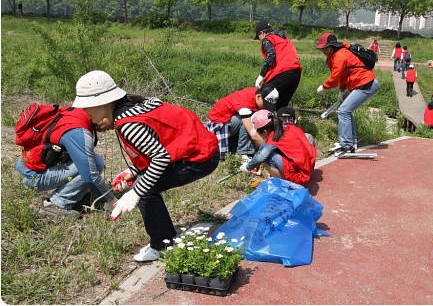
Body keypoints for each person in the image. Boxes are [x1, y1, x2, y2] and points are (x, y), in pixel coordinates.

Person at [73, 70, 220, 262]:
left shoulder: (128, 124)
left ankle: (163, 245)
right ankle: (165, 238)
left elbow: (160, 158)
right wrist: (133, 170)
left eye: (87, 108)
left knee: (145, 189)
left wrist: (134, 193)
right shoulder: (135, 105)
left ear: (101, 103)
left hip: (200, 157)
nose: (86, 113)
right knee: (143, 183)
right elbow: (160, 144)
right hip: (201, 148)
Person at [16, 105, 117, 219]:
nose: (113, 128)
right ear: (103, 115)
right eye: (113, 121)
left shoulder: (76, 112)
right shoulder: (77, 131)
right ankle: (57, 204)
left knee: (89, 162)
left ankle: (76, 193)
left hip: (28, 165)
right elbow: (89, 175)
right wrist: (111, 200)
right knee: (94, 163)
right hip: (35, 177)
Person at [315, 33, 379, 153]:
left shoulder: (339, 55)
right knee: (346, 111)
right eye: (322, 48)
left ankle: (346, 144)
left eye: (325, 47)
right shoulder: (336, 55)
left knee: (343, 111)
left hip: (366, 84)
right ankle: (351, 142)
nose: (323, 50)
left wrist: (324, 87)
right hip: (363, 84)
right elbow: (344, 76)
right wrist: (341, 91)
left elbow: (335, 77)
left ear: (332, 46)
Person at [239, 109, 316, 186]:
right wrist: (256, 163)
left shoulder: (274, 138)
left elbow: (261, 156)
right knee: (267, 151)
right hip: (307, 170)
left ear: (265, 132)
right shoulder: (287, 127)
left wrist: (247, 167)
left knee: (268, 156)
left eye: (260, 134)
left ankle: (285, 184)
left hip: (299, 178)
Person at [206, 85, 279, 160]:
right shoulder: (245, 106)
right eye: (265, 104)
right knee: (251, 121)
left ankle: (241, 149)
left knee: (252, 118)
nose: (266, 107)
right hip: (218, 125)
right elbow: (253, 134)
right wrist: (268, 151)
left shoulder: (255, 92)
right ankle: (244, 153)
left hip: (230, 121)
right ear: (258, 97)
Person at [254, 20, 302, 110]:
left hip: (283, 73)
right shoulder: (284, 39)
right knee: (281, 106)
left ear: (261, 33)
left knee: (262, 98)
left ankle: (260, 123)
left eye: (258, 37)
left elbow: (270, 57)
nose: (260, 40)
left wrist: (261, 76)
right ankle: (283, 123)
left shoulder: (268, 39)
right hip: (296, 74)